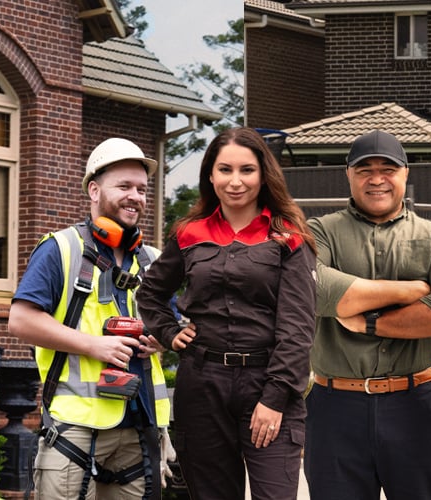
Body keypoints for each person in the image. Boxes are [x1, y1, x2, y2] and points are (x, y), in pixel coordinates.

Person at [136, 127, 316, 500]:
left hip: (267, 383)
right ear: (211, 175)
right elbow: (151, 292)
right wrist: (169, 332)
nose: (236, 181)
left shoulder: (288, 237)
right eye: (225, 170)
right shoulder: (189, 233)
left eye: (246, 170)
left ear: (264, 174)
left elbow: (297, 327)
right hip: (201, 386)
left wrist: (275, 397)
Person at [304, 129, 431, 500]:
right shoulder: (319, 232)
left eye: (388, 168)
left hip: (417, 404)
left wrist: (368, 320)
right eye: (365, 169)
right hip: (336, 407)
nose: (377, 178)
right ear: (348, 174)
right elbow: (311, 289)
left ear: (405, 174)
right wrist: (411, 290)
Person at [9, 137, 171, 500]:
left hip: (140, 425)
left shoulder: (153, 260)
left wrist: (162, 337)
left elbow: (175, 326)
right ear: (94, 190)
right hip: (75, 428)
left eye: (142, 189)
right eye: (124, 186)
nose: (136, 196)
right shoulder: (60, 249)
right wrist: (93, 345)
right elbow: (20, 320)